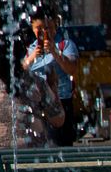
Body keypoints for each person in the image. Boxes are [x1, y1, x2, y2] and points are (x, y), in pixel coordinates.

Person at [0, 30, 65, 150]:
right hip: (30, 160)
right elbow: (58, 120)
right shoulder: (36, 82)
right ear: (21, 55)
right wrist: (53, 88)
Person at [22, 7, 79, 141]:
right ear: (32, 28)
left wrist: (54, 52)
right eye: (39, 28)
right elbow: (20, 72)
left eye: (48, 27)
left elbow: (71, 68)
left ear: (55, 26)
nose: (44, 32)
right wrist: (32, 58)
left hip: (61, 102)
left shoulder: (65, 45)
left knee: (61, 144)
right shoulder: (29, 50)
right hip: (37, 105)